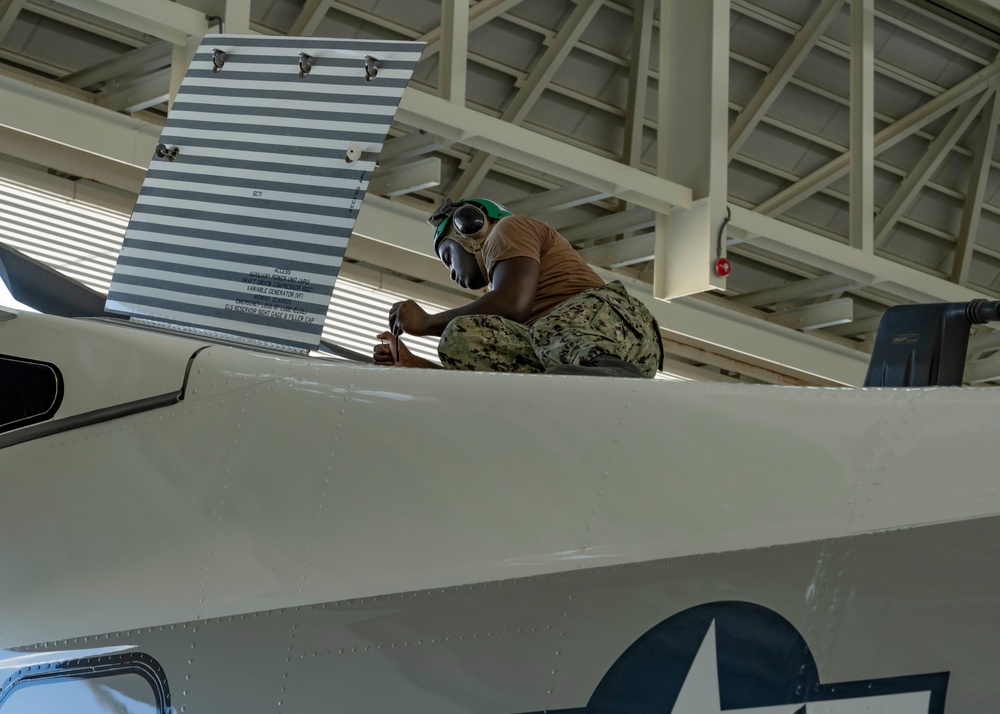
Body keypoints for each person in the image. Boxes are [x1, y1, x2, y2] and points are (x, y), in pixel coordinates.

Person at [372, 196, 663, 378]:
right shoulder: (498, 310)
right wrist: (412, 363)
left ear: (468, 228)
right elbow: (486, 381)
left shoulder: (508, 230)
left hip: (611, 325)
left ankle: (607, 369)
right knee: (463, 339)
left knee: (537, 326)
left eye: (448, 257)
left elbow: (513, 305)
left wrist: (425, 323)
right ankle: (593, 373)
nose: (451, 273)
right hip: (576, 351)